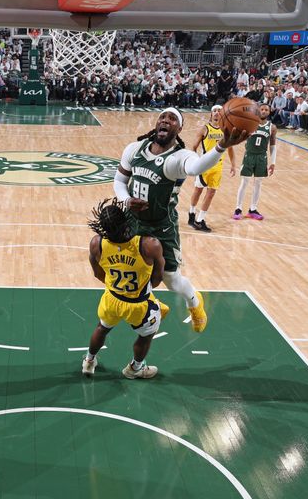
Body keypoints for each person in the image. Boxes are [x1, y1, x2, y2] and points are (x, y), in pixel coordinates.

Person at [113, 107, 247, 332]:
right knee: (132, 273)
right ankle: (153, 304)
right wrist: (126, 200)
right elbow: (118, 181)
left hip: (161, 226)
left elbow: (196, 167)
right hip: (133, 221)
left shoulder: (180, 157)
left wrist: (221, 146)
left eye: (172, 118)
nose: (166, 120)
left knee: (171, 280)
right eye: (162, 117)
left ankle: (195, 304)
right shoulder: (134, 149)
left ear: (180, 128)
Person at [84, 198, 168, 379]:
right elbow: (158, 278)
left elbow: (97, 273)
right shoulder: (148, 245)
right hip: (139, 305)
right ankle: (135, 369)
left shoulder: (96, 243)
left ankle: (89, 361)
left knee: (101, 328)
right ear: (125, 221)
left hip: (112, 299)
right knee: (146, 336)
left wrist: (116, 285)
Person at [188, 105, 236, 232]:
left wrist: (233, 164)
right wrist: (194, 162)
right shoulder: (205, 129)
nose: (216, 113)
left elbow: (230, 148)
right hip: (204, 164)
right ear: (211, 114)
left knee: (211, 193)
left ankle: (199, 220)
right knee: (198, 190)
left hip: (218, 166)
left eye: (219, 111)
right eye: (214, 111)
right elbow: (193, 147)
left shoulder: (227, 130)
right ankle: (191, 212)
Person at [232, 103, 277, 220]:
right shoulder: (250, 124)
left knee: (258, 183)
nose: (263, 111)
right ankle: (238, 209)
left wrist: (273, 162)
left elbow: (272, 145)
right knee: (245, 182)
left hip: (262, 157)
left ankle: (253, 209)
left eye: (266, 109)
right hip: (249, 156)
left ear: (269, 112)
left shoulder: (272, 127)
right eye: (261, 109)